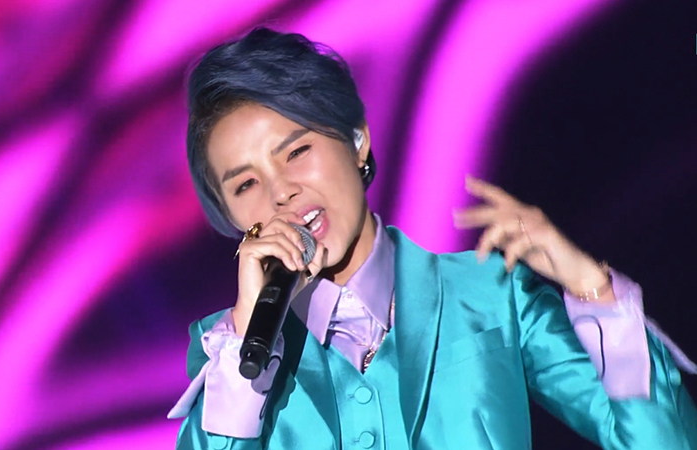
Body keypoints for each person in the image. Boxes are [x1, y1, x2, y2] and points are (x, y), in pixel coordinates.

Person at [168, 27, 697, 449]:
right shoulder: (229, 355)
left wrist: (593, 290)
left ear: (356, 141)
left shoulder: (489, 294)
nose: (281, 192)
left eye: (297, 152)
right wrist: (248, 340)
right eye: (245, 184)